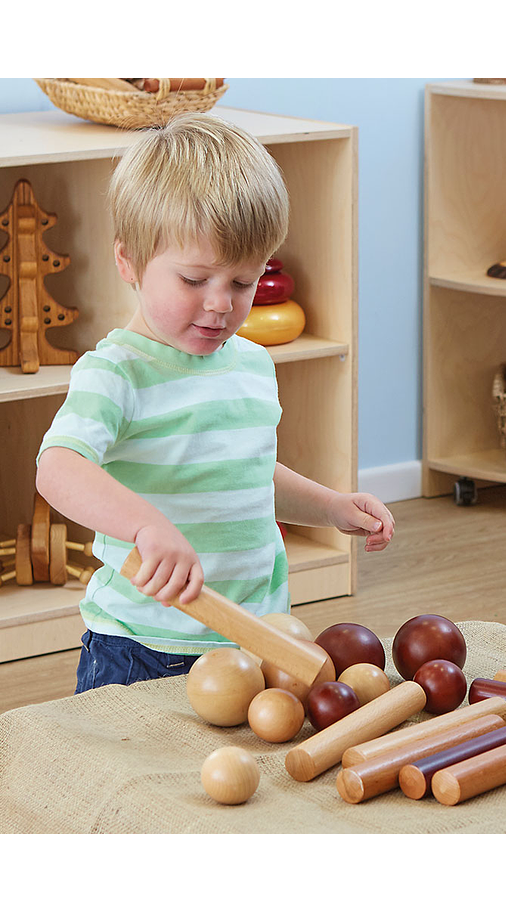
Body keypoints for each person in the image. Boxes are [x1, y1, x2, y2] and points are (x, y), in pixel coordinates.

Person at [35, 112, 394, 693]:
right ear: (128, 262)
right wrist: (147, 525)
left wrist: (329, 506)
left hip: (253, 637)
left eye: (243, 282)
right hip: (142, 646)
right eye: (194, 280)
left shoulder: (251, 363)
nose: (220, 305)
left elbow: (244, 473)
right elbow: (58, 467)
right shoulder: (116, 372)